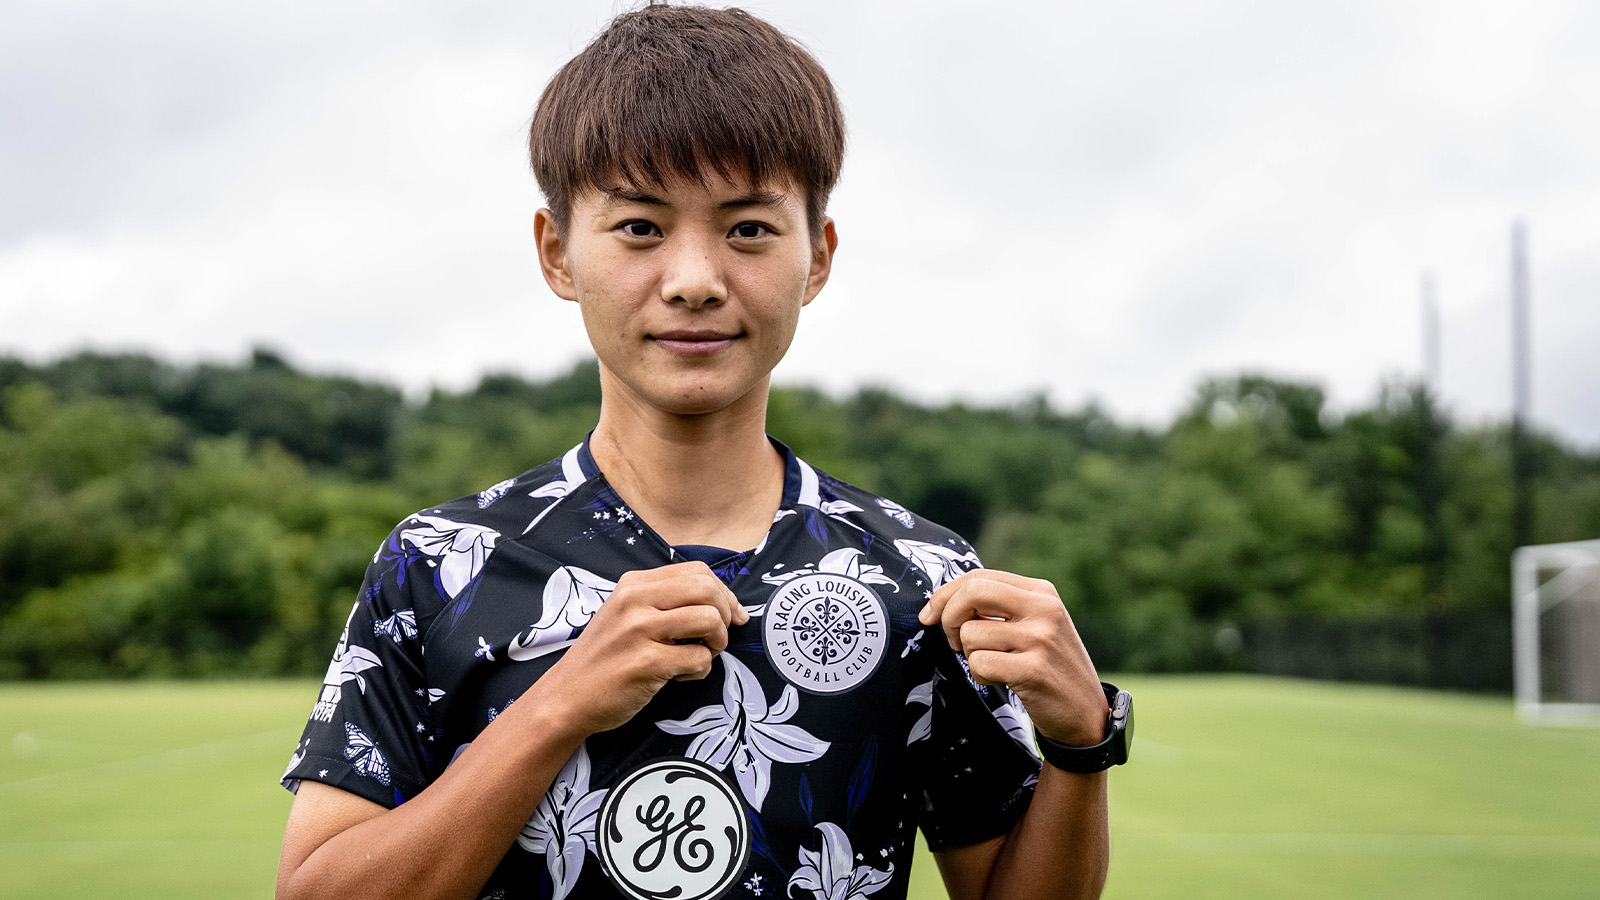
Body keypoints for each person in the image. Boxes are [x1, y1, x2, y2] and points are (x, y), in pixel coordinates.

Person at [275, 5, 1128, 900]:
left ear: (817, 256)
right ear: (558, 253)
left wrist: (1081, 744)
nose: (693, 282)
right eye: (640, 227)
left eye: (748, 228)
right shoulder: (440, 565)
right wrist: (560, 705)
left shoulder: (921, 581)